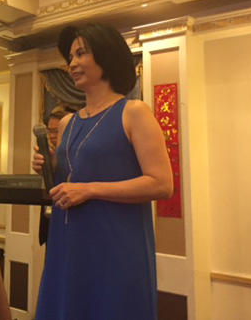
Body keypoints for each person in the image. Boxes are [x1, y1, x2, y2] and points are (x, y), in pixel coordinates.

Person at [32, 23, 173, 320]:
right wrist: (50, 166)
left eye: (81, 53)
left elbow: (162, 184)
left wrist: (90, 189)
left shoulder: (133, 112)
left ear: (106, 57)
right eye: (71, 56)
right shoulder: (68, 122)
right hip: (68, 245)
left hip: (115, 247)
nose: (72, 63)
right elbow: (69, 180)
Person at [38, 110, 66, 246]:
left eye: (56, 131)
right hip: (51, 224)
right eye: (49, 131)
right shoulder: (47, 154)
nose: (52, 136)